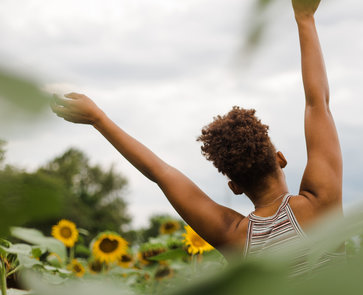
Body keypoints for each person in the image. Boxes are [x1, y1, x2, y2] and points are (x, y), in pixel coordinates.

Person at [51, 0, 340, 266]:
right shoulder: (320, 203)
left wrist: (99, 119)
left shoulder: (234, 237)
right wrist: (305, 17)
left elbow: (159, 172)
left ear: (234, 187)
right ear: (280, 158)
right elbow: (318, 105)